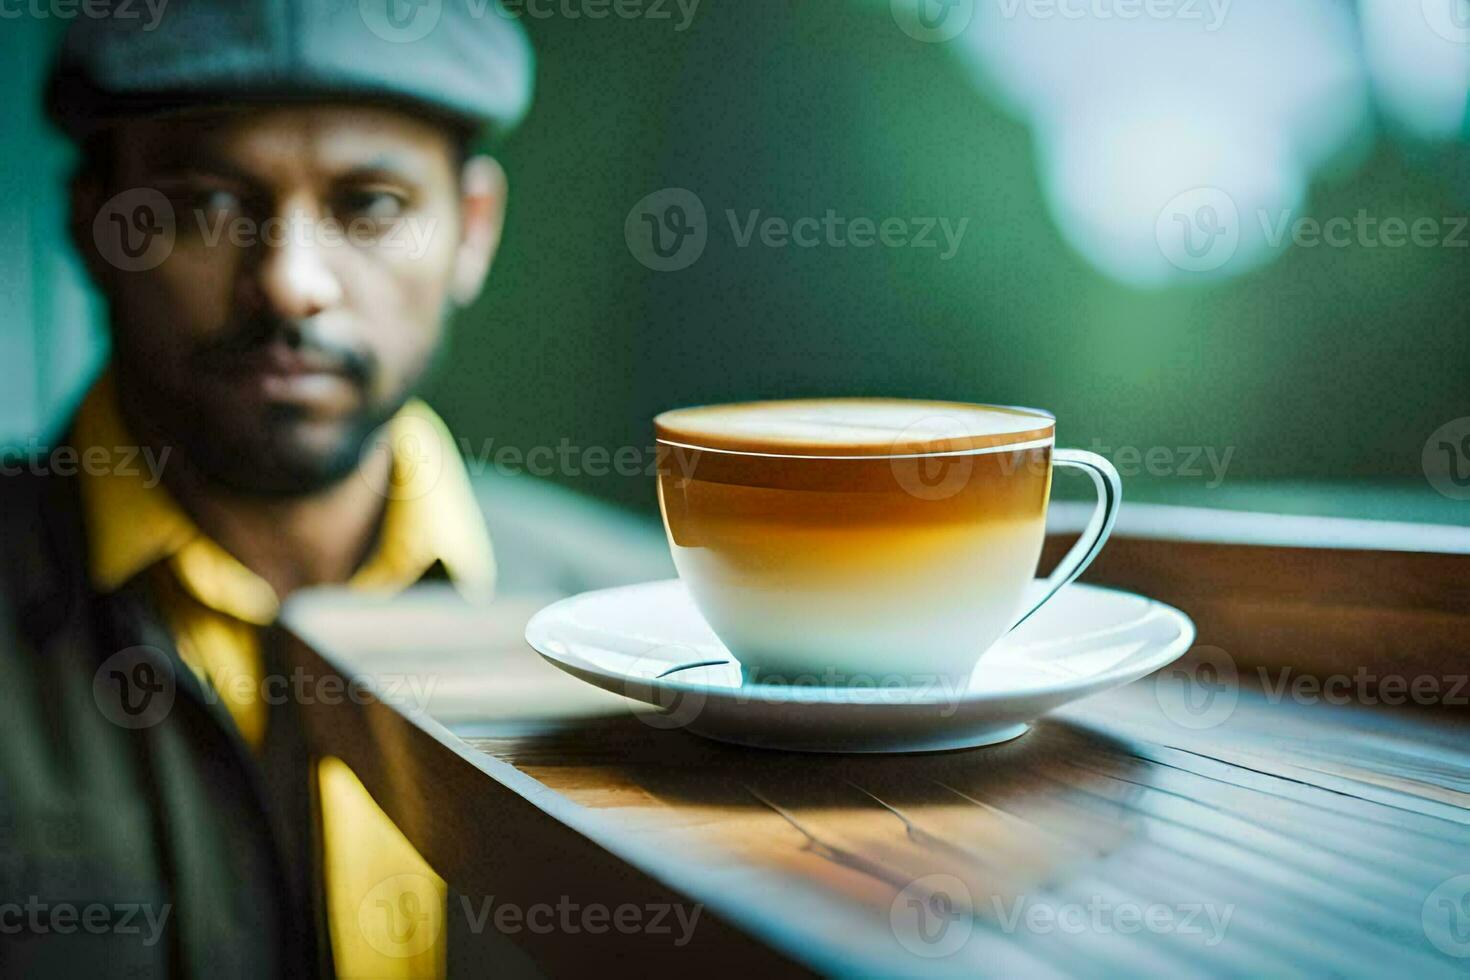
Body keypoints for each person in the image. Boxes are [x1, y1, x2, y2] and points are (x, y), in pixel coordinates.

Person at [1, 2, 533, 976]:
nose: (290, 283)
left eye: (369, 206)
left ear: (473, 228)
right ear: (91, 221)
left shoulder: (649, 645)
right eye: (204, 203)